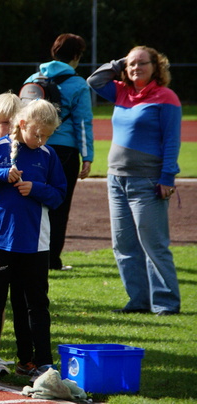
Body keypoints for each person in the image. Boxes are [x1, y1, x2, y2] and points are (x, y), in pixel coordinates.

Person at [0, 99, 67, 385]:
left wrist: (36, 188)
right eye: (38, 134)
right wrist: (1, 175)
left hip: (35, 243)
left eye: (47, 135)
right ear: (22, 124)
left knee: (37, 304)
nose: (42, 140)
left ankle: (42, 364)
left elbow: (59, 196)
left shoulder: (48, 155)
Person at [87, 46, 181, 316]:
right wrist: (119, 62)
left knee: (154, 243)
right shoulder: (121, 91)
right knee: (124, 244)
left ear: (156, 66)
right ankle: (138, 301)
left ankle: (166, 303)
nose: (135, 68)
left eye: (142, 63)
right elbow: (93, 81)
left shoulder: (166, 98)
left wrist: (167, 177)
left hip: (148, 181)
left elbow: (172, 140)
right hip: (116, 179)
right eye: (131, 64)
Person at [24, 33, 94, 270]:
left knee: (33, 202)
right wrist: (87, 157)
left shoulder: (34, 77)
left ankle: (29, 253)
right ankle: (52, 259)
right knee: (59, 206)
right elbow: (83, 123)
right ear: (76, 56)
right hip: (64, 151)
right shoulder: (78, 84)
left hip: (34, 147)